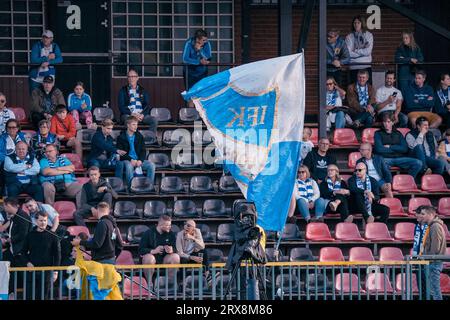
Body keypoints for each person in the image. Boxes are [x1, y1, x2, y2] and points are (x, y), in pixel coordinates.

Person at [21, 211, 60, 300]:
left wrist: (55, 271)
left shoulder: (53, 235)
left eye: (45, 221)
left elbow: (57, 255)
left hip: (46, 272)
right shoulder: (30, 235)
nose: (43, 223)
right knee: (29, 296)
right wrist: (27, 263)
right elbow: (22, 252)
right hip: (32, 271)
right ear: (35, 221)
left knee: (44, 296)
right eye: (41, 220)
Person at [374, 112, 423, 179]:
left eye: (388, 122)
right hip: (385, 159)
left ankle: (407, 181)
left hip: (400, 158)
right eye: (384, 122)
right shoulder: (378, 133)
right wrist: (397, 149)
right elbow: (379, 149)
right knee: (381, 164)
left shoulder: (398, 133)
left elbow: (405, 148)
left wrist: (390, 147)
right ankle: (389, 183)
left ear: (393, 122)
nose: (386, 124)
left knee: (418, 163)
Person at [414, 205, 447, 300]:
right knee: (433, 289)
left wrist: (427, 258)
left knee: (434, 290)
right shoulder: (432, 226)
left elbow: (435, 248)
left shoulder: (435, 226)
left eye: (423, 214)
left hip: (433, 262)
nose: (421, 216)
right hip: (432, 262)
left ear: (431, 214)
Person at [139, 215, 180, 285]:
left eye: (170, 225)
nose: (170, 227)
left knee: (175, 257)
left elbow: (178, 248)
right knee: (149, 258)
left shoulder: (171, 234)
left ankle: (170, 283)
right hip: (152, 258)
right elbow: (141, 250)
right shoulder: (148, 233)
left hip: (165, 258)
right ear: (160, 225)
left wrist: (172, 250)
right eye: (167, 225)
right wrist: (154, 251)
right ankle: (150, 284)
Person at [116, 116, 156, 188]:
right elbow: (121, 154)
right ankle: (131, 187)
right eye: (133, 124)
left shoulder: (139, 136)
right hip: (127, 160)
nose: (136, 127)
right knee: (129, 166)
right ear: (128, 125)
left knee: (151, 165)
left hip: (138, 160)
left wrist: (140, 160)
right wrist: (130, 160)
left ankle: (149, 186)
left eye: (137, 124)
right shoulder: (121, 137)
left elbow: (143, 151)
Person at [118, 69, 158, 133]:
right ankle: (132, 139)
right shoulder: (123, 90)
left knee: (154, 120)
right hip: (128, 114)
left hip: (140, 115)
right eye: (129, 77)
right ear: (127, 78)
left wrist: (142, 114)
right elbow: (121, 106)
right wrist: (132, 114)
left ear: (137, 78)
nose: (131, 79)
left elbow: (147, 105)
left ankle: (150, 139)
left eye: (133, 76)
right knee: (128, 120)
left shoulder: (143, 90)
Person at [1, 197, 32, 267]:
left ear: (8, 205)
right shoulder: (14, 216)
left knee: (20, 274)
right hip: (14, 249)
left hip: (21, 251)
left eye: (4, 206)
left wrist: (11, 239)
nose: (4, 209)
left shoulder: (22, 216)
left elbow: (23, 234)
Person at [0, 119, 27, 193]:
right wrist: (9, 160)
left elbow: (28, 150)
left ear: (17, 128)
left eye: (14, 127)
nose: (11, 129)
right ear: (6, 129)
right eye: (9, 127)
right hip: (6, 161)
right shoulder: (2, 138)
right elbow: (0, 153)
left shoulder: (22, 136)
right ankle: (3, 196)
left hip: (22, 160)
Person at [345, 15, 373, 83]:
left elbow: (368, 51)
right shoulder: (349, 37)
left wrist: (356, 50)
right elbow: (348, 53)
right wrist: (362, 54)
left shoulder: (368, 35)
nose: (356, 24)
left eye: (358, 22)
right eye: (355, 23)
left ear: (362, 23)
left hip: (366, 66)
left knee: (367, 90)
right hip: (354, 67)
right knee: (353, 90)